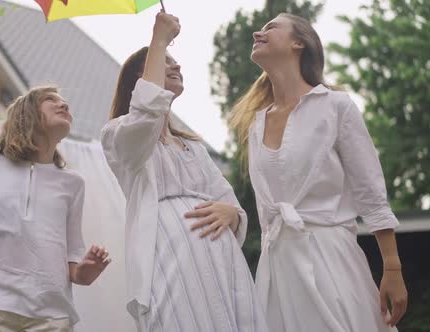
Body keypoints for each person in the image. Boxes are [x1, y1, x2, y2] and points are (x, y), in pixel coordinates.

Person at [229, 12, 408, 332]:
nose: (258, 32)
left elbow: (371, 192)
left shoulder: (336, 106)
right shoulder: (256, 125)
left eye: (270, 27)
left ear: (300, 43)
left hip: (331, 257)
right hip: (278, 269)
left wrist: (391, 266)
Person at [101, 11, 267, 332]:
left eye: (174, 59)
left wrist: (232, 214)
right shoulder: (118, 134)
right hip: (167, 258)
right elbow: (144, 118)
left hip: (221, 260)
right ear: (140, 79)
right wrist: (158, 39)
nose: (176, 65)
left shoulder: (193, 148)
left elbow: (230, 204)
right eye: (165, 60)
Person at [0, 85, 111, 331]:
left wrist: (86, 271)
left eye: (65, 102)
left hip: (54, 318)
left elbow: (73, 258)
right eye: (51, 100)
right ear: (27, 113)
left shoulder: (73, 183)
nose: (63, 105)